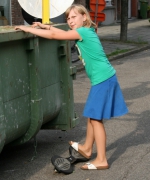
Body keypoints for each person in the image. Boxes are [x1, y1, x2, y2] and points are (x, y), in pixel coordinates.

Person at [15, 4, 128, 170]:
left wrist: (29, 30)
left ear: (84, 16)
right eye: (68, 18)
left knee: (96, 120)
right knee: (92, 115)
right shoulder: (86, 31)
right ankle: (87, 149)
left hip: (103, 79)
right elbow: (59, 31)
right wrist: (43, 25)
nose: (70, 21)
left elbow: (55, 35)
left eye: (74, 17)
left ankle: (102, 159)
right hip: (104, 78)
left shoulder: (83, 32)